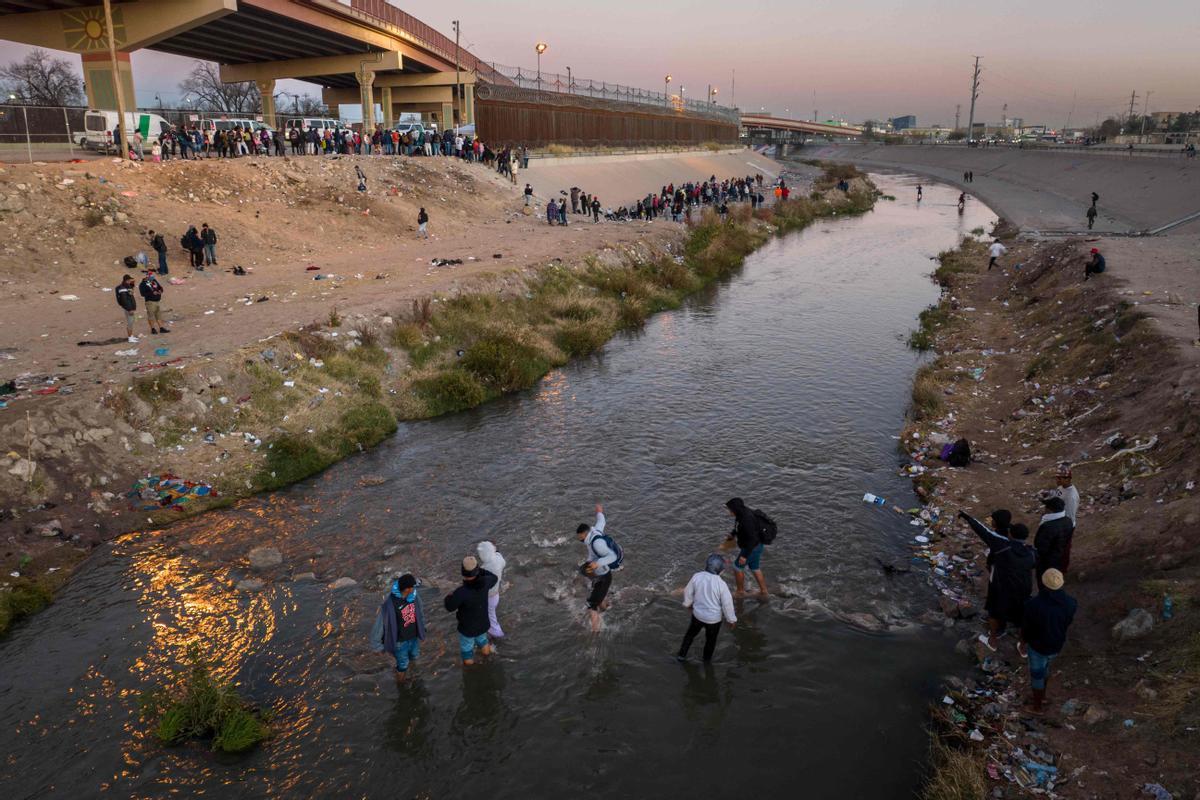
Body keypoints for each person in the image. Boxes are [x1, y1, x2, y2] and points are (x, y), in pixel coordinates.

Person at [960, 510, 1035, 651]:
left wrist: (968, 517)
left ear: (1010, 535)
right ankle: (1023, 646)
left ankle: (993, 640)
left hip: (1001, 586)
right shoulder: (1031, 553)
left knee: (994, 611)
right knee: (1021, 616)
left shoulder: (1002, 546)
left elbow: (983, 531)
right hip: (1023, 589)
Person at [1019, 568, 1076, 714]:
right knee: (1046, 669)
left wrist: (1023, 641)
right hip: (1057, 644)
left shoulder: (1033, 604)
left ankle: (1037, 707)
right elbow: (1067, 621)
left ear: (1043, 584)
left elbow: (1026, 627)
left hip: (1038, 645)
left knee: (1037, 673)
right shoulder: (1071, 603)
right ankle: (1042, 697)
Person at [677, 554, 737, 663]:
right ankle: (706, 661)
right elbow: (727, 604)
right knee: (710, 641)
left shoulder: (697, 576)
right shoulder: (721, 584)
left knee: (689, 636)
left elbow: (687, 591)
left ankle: (681, 656)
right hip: (713, 620)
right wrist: (731, 619)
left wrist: (688, 604)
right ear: (720, 570)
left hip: (697, 616)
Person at [372, 573, 426, 683]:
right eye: (412, 586)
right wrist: (377, 646)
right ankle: (401, 685)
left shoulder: (414, 596)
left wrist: (423, 629)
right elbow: (379, 625)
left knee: (414, 657)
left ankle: (411, 676)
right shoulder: (390, 603)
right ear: (407, 589)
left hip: (414, 637)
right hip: (400, 642)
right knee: (402, 665)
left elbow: (420, 613)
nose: (414, 588)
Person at [444, 556, 497, 666]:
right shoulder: (485, 583)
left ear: (463, 572)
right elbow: (494, 577)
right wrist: (480, 571)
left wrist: (448, 597)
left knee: (467, 650)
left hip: (467, 628)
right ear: (477, 571)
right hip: (482, 623)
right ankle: (487, 659)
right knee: (483, 641)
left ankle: (470, 670)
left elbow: (449, 607)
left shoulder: (461, 592)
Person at [576, 503, 617, 632]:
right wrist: (599, 511)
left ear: (585, 534)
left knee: (590, 606)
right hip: (601, 575)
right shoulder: (596, 531)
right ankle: (606, 607)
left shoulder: (597, 543)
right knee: (598, 596)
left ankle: (596, 633)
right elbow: (601, 520)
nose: (580, 541)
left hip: (603, 576)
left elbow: (613, 556)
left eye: (581, 538)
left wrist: (597, 564)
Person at [725, 497, 768, 597]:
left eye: (729, 509)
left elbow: (752, 539)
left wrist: (744, 556)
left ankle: (740, 592)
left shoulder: (746, 520)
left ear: (735, 509)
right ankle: (764, 591)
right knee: (755, 568)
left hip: (752, 547)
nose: (728, 511)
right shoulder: (741, 514)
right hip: (756, 546)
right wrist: (733, 534)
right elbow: (738, 528)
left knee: (737, 567)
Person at [1034, 496, 1073, 582]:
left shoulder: (1047, 526)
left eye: (1046, 507)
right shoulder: (1068, 521)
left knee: (1044, 581)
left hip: (1047, 560)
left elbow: (1040, 547)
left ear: (1050, 510)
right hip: (1059, 557)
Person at [476, 541, 506, 639]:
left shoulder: (484, 569)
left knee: (491, 617)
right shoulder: (499, 560)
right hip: (496, 595)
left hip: (488, 598)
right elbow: (499, 556)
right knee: (490, 614)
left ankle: (498, 634)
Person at [138, 268, 169, 335]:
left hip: (157, 300)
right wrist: (152, 293)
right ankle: (153, 329)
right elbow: (142, 294)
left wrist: (160, 291)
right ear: (147, 276)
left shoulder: (154, 281)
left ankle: (161, 328)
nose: (152, 277)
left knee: (158, 315)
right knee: (151, 316)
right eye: (151, 276)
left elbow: (160, 287)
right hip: (150, 302)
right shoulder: (143, 284)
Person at [116, 274, 138, 343]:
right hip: (128, 308)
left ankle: (131, 336)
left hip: (130, 307)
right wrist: (130, 309)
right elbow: (124, 300)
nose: (130, 281)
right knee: (130, 322)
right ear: (126, 280)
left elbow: (132, 287)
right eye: (129, 280)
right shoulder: (122, 288)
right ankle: (130, 338)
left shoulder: (127, 286)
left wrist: (133, 281)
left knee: (131, 322)